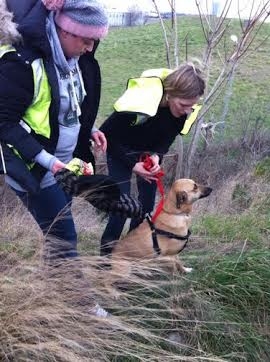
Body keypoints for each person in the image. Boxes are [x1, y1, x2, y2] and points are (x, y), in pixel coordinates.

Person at [0, 0, 111, 316]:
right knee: (65, 235)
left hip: (61, 165)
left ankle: (52, 293)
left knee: (55, 235)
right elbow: (3, 123)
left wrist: (85, 131)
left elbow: (63, 106)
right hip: (34, 168)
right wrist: (49, 162)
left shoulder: (71, 58)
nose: (90, 48)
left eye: (94, 41)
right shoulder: (21, 64)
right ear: (62, 29)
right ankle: (81, 307)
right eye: (85, 40)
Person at [100, 64, 206, 256]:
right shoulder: (141, 103)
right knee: (121, 208)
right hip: (120, 152)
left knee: (146, 208)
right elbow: (106, 134)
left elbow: (168, 138)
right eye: (183, 105)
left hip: (148, 157)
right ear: (170, 94)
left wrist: (157, 155)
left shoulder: (183, 112)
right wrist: (133, 165)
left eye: (192, 106)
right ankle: (105, 261)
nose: (187, 111)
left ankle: (130, 254)